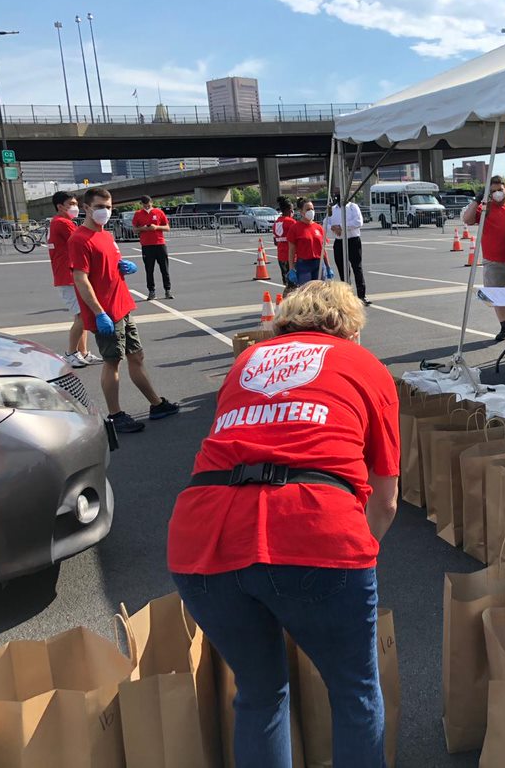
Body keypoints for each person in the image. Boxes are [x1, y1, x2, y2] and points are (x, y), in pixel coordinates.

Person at [167, 280, 399, 768]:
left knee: (259, 692)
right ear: (351, 329)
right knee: (354, 692)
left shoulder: (246, 363)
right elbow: (386, 501)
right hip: (315, 525)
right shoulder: (364, 365)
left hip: (202, 536)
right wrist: (352, 564)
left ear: (284, 324)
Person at [69, 187, 180, 434]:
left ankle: (156, 404)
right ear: (86, 208)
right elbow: (81, 279)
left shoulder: (105, 235)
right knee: (112, 362)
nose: (105, 211)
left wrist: (122, 267)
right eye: (99, 207)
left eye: (108, 207)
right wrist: (99, 312)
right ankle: (115, 415)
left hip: (122, 305)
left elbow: (107, 266)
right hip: (106, 312)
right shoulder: (79, 239)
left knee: (136, 356)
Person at [47, 191, 103, 368]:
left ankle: (83, 352)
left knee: (82, 316)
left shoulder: (58, 222)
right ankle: (71, 353)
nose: (75, 207)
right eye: (71, 204)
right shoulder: (63, 223)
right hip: (68, 276)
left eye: (76, 204)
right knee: (82, 316)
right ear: (60, 207)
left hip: (67, 275)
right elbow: (85, 239)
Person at [463, 175, 505, 341]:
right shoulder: (485, 208)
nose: (497, 193)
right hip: (494, 261)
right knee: (496, 295)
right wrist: (477, 200)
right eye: (493, 191)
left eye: (500, 190)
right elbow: (467, 219)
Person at [325, 192, 370, 306]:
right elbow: (325, 223)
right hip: (339, 242)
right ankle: (347, 296)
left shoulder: (353, 207)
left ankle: (362, 296)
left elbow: (358, 222)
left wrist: (341, 226)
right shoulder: (333, 209)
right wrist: (333, 228)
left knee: (357, 268)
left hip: (352, 240)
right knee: (342, 270)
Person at [132, 195, 173, 300]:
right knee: (149, 270)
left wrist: (156, 227)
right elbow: (134, 229)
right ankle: (151, 291)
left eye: (148, 205)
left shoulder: (159, 212)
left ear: (151, 202)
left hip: (160, 244)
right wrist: (143, 228)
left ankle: (167, 290)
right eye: (145, 205)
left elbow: (167, 228)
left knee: (164, 269)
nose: (147, 207)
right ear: (142, 204)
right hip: (147, 245)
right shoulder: (138, 214)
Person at [287, 198, 333, 286]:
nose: (311, 211)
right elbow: (291, 250)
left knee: (320, 290)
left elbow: (323, 249)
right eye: (308, 209)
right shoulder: (295, 228)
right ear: (301, 212)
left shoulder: (319, 228)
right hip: (304, 265)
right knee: (306, 291)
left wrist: (328, 266)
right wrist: (291, 268)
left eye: (312, 209)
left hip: (319, 263)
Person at [273, 196, 297, 293]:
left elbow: (275, 241)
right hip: (291, 257)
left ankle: (286, 298)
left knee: (287, 284)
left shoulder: (276, 223)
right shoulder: (291, 222)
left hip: (281, 256)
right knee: (294, 285)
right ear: (289, 210)